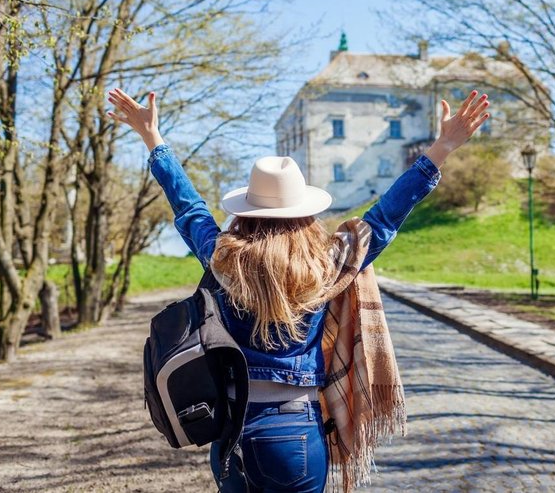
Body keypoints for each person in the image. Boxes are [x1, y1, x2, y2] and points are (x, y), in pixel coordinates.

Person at [107, 88, 490, 492]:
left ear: (246, 212)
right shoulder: (327, 262)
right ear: (305, 213)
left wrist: (154, 139)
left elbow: (189, 208)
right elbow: (383, 218)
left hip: (232, 426)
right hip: (297, 428)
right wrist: (442, 147)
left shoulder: (224, 258)